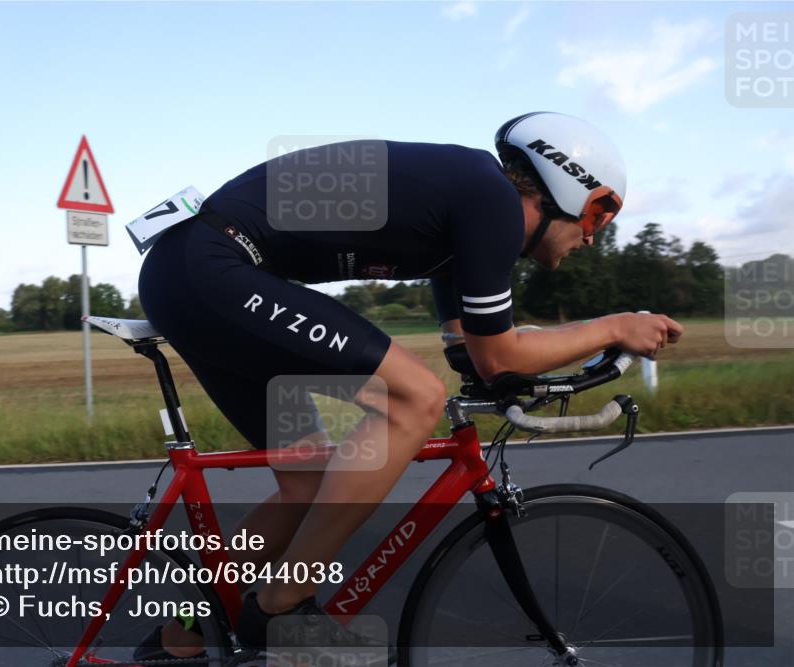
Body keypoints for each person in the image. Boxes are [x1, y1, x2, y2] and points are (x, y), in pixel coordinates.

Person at [135, 112, 683, 664]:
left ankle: (178, 640)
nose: (590, 238)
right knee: (414, 398)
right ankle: (281, 606)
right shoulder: (489, 199)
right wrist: (616, 327)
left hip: (192, 274)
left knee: (307, 483)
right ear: (566, 187)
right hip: (213, 270)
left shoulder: (466, 217)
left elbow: (474, 354)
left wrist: (533, 372)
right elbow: (500, 354)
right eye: (597, 216)